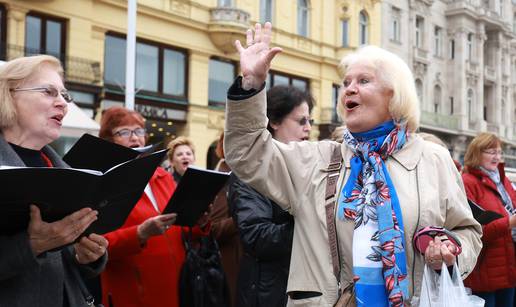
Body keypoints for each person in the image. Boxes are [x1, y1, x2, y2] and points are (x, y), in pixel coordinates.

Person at [223, 22, 482, 306]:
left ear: (393, 94)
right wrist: (251, 85)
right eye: (346, 83)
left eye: (363, 81)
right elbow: (246, 153)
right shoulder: (317, 158)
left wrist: (450, 249)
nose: (349, 89)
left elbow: (467, 231)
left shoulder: (433, 159)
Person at [0, 55, 107, 306]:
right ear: (8, 95)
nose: (63, 104)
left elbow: (65, 261)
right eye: (48, 92)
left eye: (64, 95)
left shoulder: (63, 170)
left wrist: (87, 256)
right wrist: (31, 246)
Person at [98, 107, 210, 307]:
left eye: (139, 131)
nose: (135, 138)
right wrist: (139, 233)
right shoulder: (105, 183)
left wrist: (197, 223)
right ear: (109, 140)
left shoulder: (162, 175)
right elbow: (97, 246)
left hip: (177, 288)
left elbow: (178, 228)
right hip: (134, 293)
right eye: (124, 132)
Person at [228, 85, 313, 307]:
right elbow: (257, 237)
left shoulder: (307, 166)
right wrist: (313, 222)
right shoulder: (250, 170)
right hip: (267, 294)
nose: (309, 128)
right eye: (301, 121)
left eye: (310, 121)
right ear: (274, 122)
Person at [462, 132, 515, 307]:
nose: (497, 157)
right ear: (477, 152)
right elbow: (474, 232)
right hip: (484, 272)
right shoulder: (467, 182)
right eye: (492, 152)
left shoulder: (502, 179)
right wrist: (509, 223)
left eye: (499, 152)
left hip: (508, 266)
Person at [210, 132, 243, 306]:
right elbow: (214, 229)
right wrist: (245, 218)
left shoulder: (245, 173)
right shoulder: (222, 179)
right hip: (231, 263)